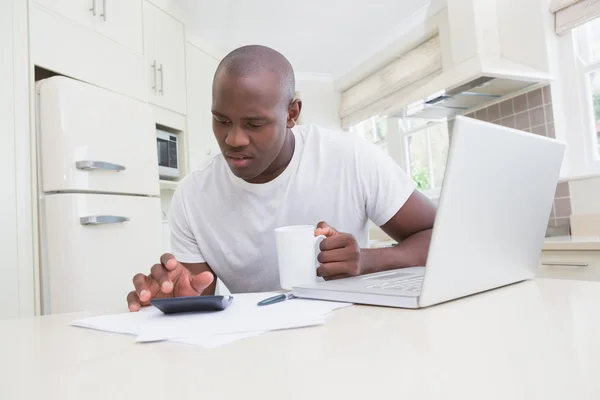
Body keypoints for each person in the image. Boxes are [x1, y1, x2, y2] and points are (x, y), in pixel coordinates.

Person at [126, 45, 437, 311]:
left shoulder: (349, 157)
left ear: (291, 114)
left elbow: (439, 235)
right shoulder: (192, 197)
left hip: (348, 341)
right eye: (221, 120)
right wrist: (178, 299)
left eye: (254, 124)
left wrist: (366, 261)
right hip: (257, 351)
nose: (234, 139)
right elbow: (198, 297)